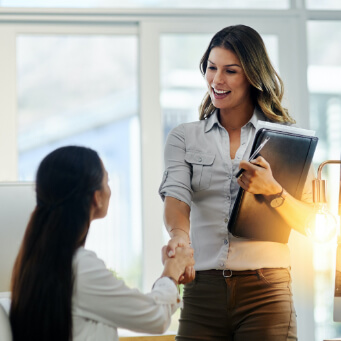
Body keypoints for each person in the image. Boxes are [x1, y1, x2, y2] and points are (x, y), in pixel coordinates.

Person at [159, 24, 315, 341]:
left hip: (266, 293)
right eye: (212, 68)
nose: (217, 80)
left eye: (230, 71)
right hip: (202, 292)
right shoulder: (184, 137)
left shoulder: (289, 141)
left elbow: (313, 222)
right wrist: (179, 235)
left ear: (252, 76)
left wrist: (273, 190)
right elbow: (176, 196)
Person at [9, 145, 194, 341]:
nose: (109, 189)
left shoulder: (33, 260)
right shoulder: (80, 267)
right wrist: (172, 271)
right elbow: (155, 317)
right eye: (107, 181)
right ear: (97, 197)